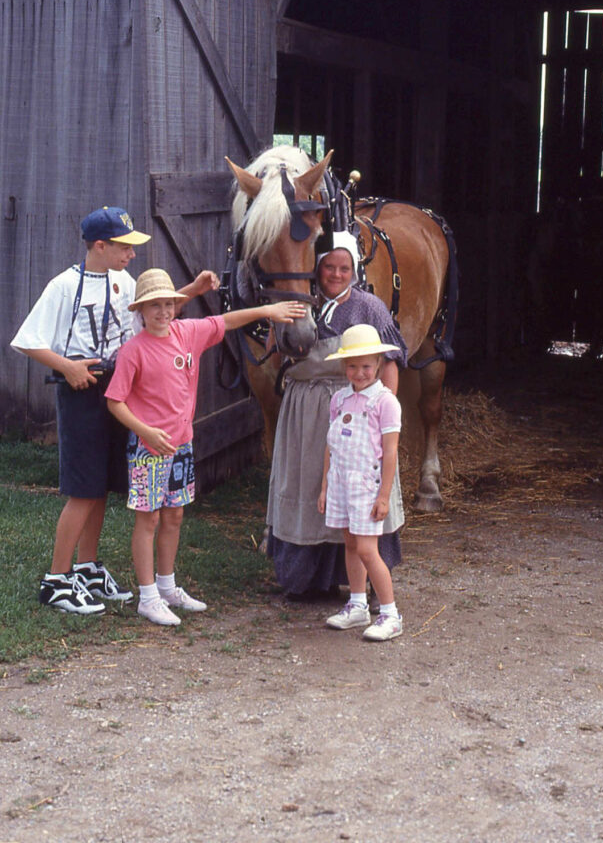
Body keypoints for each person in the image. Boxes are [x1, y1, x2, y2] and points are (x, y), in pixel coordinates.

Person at [10, 206, 218, 615]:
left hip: (121, 389)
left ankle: (86, 568)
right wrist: (66, 366)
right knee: (83, 487)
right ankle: (56, 579)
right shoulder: (64, 286)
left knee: (102, 483)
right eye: (125, 247)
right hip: (81, 388)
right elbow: (27, 340)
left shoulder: (124, 282)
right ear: (100, 246)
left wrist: (190, 290)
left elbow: (156, 313)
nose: (132, 255)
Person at [105, 268, 306, 626]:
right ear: (141, 311)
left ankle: (167, 587)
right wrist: (146, 432)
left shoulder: (187, 333)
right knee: (148, 518)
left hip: (181, 444)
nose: (163, 312)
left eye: (169, 304)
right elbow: (115, 402)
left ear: (177, 306)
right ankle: (147, 596)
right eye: (155, 306)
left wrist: (267, 312)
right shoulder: (133, 351)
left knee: (175, 514)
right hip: (149, 448)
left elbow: (226, 320)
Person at [267, 230, 408, 599]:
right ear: (317, 268)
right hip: (305, 413)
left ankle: (370, 586)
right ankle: (307, 580)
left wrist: (382, 415)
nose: (335, 274)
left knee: (360, 493)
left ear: (355, 270)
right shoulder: (298, 303)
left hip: (359, 415)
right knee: (310, 488)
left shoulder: (368, 307)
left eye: (344, 268)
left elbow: (389, 365)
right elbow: (272, 352)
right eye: (328, 266)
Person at [318, 324, 403, 640]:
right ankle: (356, 605)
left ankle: (390, 613)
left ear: (378, 364)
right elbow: (331, 444)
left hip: (366, 485)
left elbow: (390, 452)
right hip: (341, 482)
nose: (359, 372)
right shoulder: (339, 399)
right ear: (344, 366)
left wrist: (383, 496)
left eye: (366, 366)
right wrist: (326, 487)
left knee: (368, 549)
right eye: (352, 366)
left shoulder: (385, 402)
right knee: (350, 543)